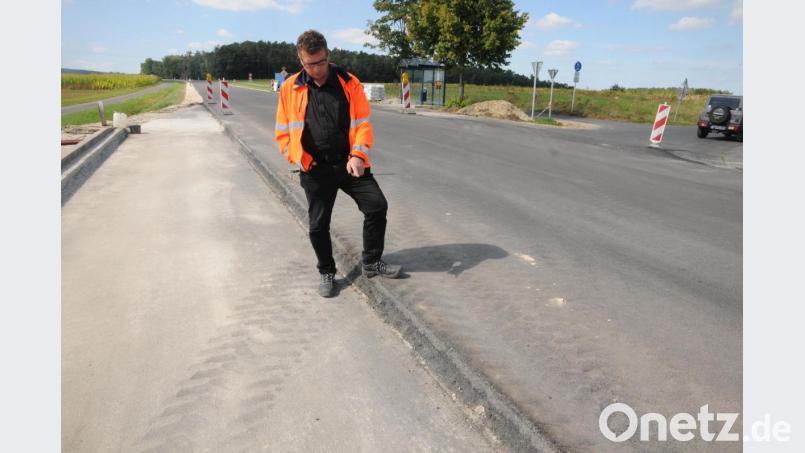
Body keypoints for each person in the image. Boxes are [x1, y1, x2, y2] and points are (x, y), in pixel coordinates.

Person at [275, 30, 402, 298]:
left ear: (328, 55)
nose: (317, 69)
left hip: (349, 163)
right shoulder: (290, 88)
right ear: (301, 60)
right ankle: (327, 272)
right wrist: (298, 158)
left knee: (377, 206)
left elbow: (363, 124)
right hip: (315, 168)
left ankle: (371, 261)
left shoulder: (348, 82)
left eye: (321, 62)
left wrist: (358, 155)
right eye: (310, 64)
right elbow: (283, 131)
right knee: (318, 225)